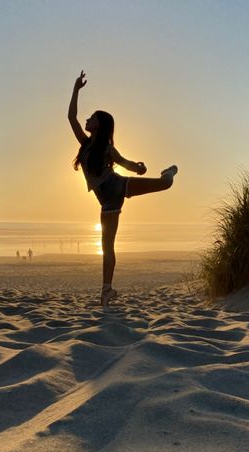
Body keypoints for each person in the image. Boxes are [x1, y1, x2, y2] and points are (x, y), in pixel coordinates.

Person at [68, 70, 178, 308]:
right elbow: (71, 117)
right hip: (107, 204)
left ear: (100, 124)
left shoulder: (106, 148)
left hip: (118, 186)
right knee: (107, 248)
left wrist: (137, 167)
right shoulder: (86, 145)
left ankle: (169, 173)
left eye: (92, 117)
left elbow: (123, 162)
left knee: (163, 184)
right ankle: (107, 291)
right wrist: (76, 88)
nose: (87, 120)